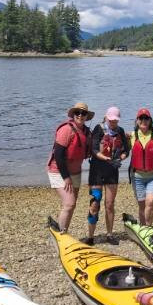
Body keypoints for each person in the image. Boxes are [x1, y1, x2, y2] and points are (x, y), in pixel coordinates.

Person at [84, 107, 130, 245]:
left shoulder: (120, 131)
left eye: (116, 120)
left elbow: (126, 150)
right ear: (106, 118)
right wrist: (105, 158)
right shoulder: (99, 129)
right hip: (97, 171)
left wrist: (120, 159)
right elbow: (94, 149)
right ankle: (91, 236)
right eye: (111, 120)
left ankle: (110, 234)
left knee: (109, 204)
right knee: (95, 202)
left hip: (112, 171)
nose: (113, 122)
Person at [47, 102, 93, 232]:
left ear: (86, 116)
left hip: (76, 172)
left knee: (71, 205)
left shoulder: (86, 132)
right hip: (58, 171)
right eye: (77, 113)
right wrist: (66, 177)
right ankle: (61, 234)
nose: (80, 115)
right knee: (69, 203)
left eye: (83, 113)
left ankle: (63, 230)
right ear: (73, 114)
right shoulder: (66, 130)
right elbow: (59, 155)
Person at [129, 107, 153, 225]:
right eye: (141, 118)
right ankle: (143, 228)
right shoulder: (132, 135)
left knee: (151, 201)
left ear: (150, 120)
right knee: (142, 205)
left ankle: (148, 227)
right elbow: (120, 148)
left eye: (146, 118)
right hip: (137, 176)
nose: (144, 120)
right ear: (137, 120)